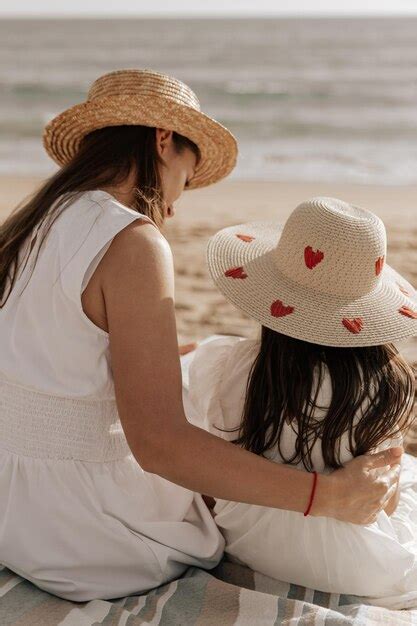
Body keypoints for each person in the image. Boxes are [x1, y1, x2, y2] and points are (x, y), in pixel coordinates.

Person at [0, 70, 402, 603]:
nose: (175, 205)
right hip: (79, 539)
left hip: (12, 507)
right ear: (164, 139)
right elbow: (160, 447)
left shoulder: (34, 222)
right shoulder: (131, 240)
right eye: (186, 180)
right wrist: (327, 498)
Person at [181, 196, 417, 609]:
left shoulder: (228, 364)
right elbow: (386, 499)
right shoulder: (389, 385)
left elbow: (208, 462)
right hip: (357, 566)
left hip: (252, 545)